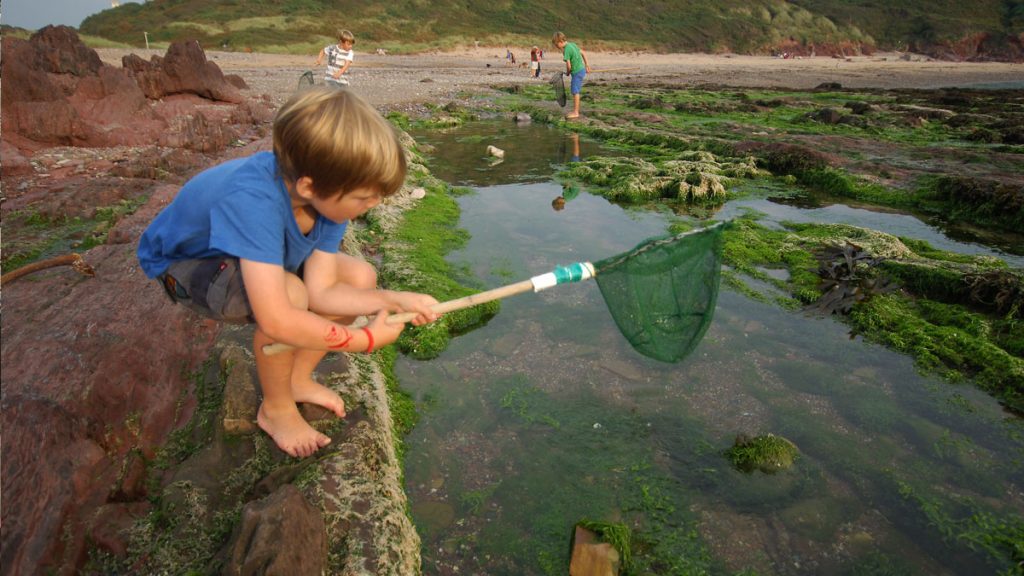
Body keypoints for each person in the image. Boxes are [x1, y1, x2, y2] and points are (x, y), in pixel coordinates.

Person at [137, 88, 440, 458]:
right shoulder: (255, 199)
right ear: (309, 185)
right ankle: (276, 408)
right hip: (185, 266)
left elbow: (325, 290)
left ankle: (296, 379)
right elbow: (277, 319)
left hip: (250, 251)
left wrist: (393, 299)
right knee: (290, 296)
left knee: (360, 278)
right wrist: (362, 339)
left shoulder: (325, 200)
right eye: (364, 198)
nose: (372, 206)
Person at [552, 31, 590, 120]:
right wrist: (587, 65)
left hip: (577, 72)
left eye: (557, 45)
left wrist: (568, 72)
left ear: (560, 41)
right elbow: (583, 52)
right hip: (581, 70)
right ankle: (575, 111)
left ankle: (576, 112)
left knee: (575, 91)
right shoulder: (573, 44)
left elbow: (568, 65)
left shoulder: (566, 50)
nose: (557, 47)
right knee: (575, 90)